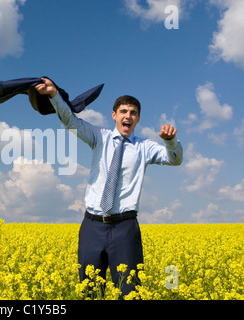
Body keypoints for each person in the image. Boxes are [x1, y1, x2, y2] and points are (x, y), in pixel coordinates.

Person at [35, 78, 183, 298]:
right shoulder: (99, 136)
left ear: (138, 119)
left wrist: (171, 141)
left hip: (125, 228)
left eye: (133, 113)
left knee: (130, 291)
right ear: (114, 115)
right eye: (123, 111)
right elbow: (70, 121)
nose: (128, 116)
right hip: (92, 227)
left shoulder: (145, 146)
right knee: (89, 291)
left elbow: (174, 159)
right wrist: (54, 95)